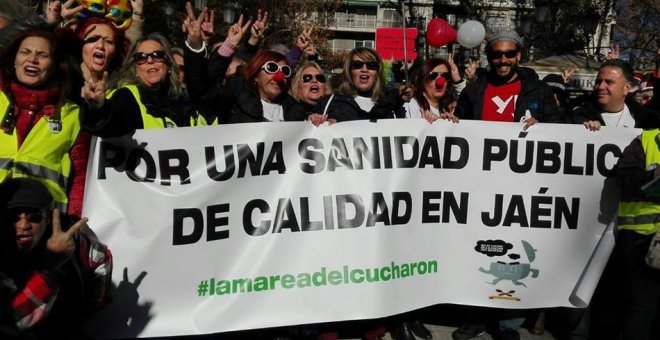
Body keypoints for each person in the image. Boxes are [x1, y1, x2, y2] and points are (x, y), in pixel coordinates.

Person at [452, 30, 564, 340]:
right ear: (490, 57)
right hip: (479, 187)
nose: (503, 60)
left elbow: (561, 130)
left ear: (519, 56)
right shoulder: (474, 91)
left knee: (512, 254)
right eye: (496, 54)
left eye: (509, 54)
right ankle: (474, 316)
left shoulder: (538, 91)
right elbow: (457, 129)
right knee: (476, 252)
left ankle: (508, 322)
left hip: (521, 190)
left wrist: (544, 129)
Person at [0, 178, 112, 338]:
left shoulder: (67, 236)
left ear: (48, 218)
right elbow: (12, 322)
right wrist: (49, 268)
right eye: (13, 217)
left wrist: (94, 300)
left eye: (34, 217)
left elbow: (102, 257)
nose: (23, 225)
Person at [0, 29, 87, 218]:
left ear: (55, 66)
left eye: (42, 55)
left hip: (43, 225)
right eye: (25, 52)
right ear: (13, 60)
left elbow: (81, 179)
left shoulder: (72, 114)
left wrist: (70, 223)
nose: (32, 59)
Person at [80, 32, 207, 137]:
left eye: (157, 55)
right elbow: (111, 126)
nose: (150, 61)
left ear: (168, 64)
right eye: (141, 57)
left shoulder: (185, 101)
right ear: (135, 68)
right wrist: (98, 108)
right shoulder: (127, 97)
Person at [614, 128, 660, 340]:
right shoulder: (646, 140)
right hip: (643, 237)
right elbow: (624, 179)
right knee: (643, 305)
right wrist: (654, 176)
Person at [326, 47, 411, 122]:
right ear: (349, 70)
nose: (364, 69)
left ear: (377, 72)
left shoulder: (392, 103)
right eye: (357, 65)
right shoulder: (331, 102)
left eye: (371, 65)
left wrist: (397, 98)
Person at [570, 59, 657, 130]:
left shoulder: (649, 122)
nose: (601, 86)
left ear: (626, 88)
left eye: (609, 82)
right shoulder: (575, 116)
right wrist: (579, 130)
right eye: (598, 81)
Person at [404, 58, 460, 123]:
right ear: (423, 80)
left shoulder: (450, 108)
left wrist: (445, 123)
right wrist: (423, 123)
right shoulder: (412, 106)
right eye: (432, 76)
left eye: (445, 76)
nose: (440, 82)